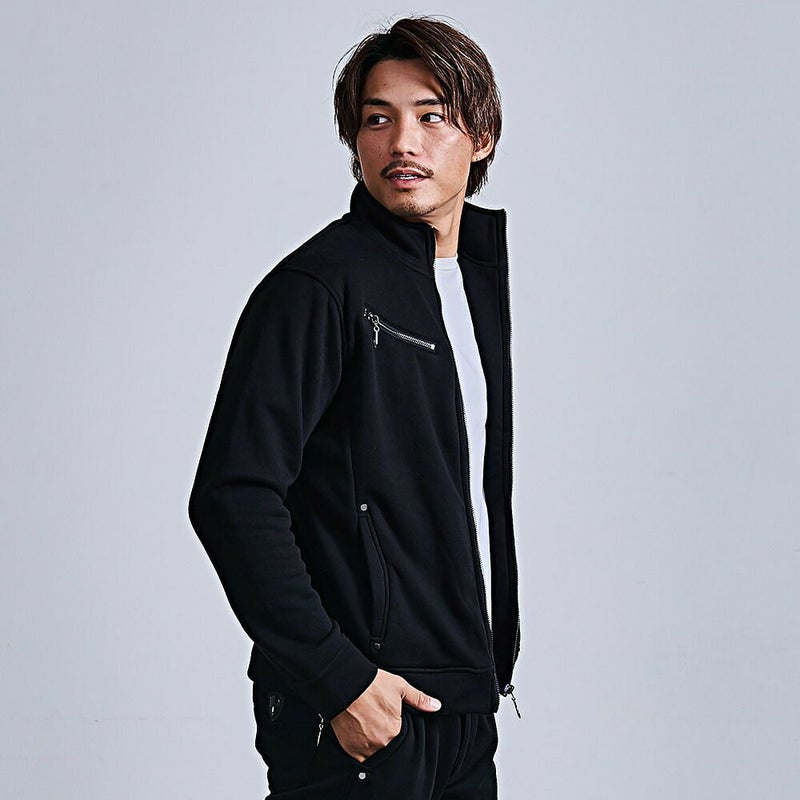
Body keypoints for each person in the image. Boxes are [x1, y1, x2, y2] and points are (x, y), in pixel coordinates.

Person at [189, 16, 520, 799]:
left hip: (462, 704)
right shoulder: (316, 288)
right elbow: (234, 496)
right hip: (361, 711)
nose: (403, 141)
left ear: (482, 137)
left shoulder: (470, 289)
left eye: (432, 116)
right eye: (378, 119)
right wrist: (339, 679)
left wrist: (487, 662)